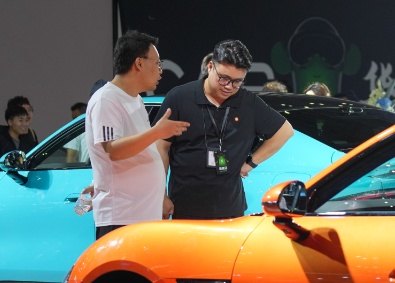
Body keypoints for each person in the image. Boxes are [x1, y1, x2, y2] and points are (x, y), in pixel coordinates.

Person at [153, 39, 294, 220]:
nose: (229, 87)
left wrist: (250, 163)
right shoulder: (180, 97)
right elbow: (160, 147)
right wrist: (161, 195)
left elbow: (285, 131)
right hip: (185, 206)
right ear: (211, 66)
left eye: (237, 82)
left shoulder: (247, 102)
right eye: (224, 78)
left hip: (230, 209)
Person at [85, 30, 190, 240]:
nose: (161, 70)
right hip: (122, 217)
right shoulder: (107, 99)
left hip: (141, 216)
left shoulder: (135, 99)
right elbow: (113, 150)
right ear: (139, 63)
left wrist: (160, 196)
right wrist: (156, 133)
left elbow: (136, 151)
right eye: (158, 63)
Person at [0, 105, 36, 174]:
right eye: (21, 120)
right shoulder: (0, 142)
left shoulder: (27, 141)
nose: (25, 124)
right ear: (10, 122)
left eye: (26, 120)